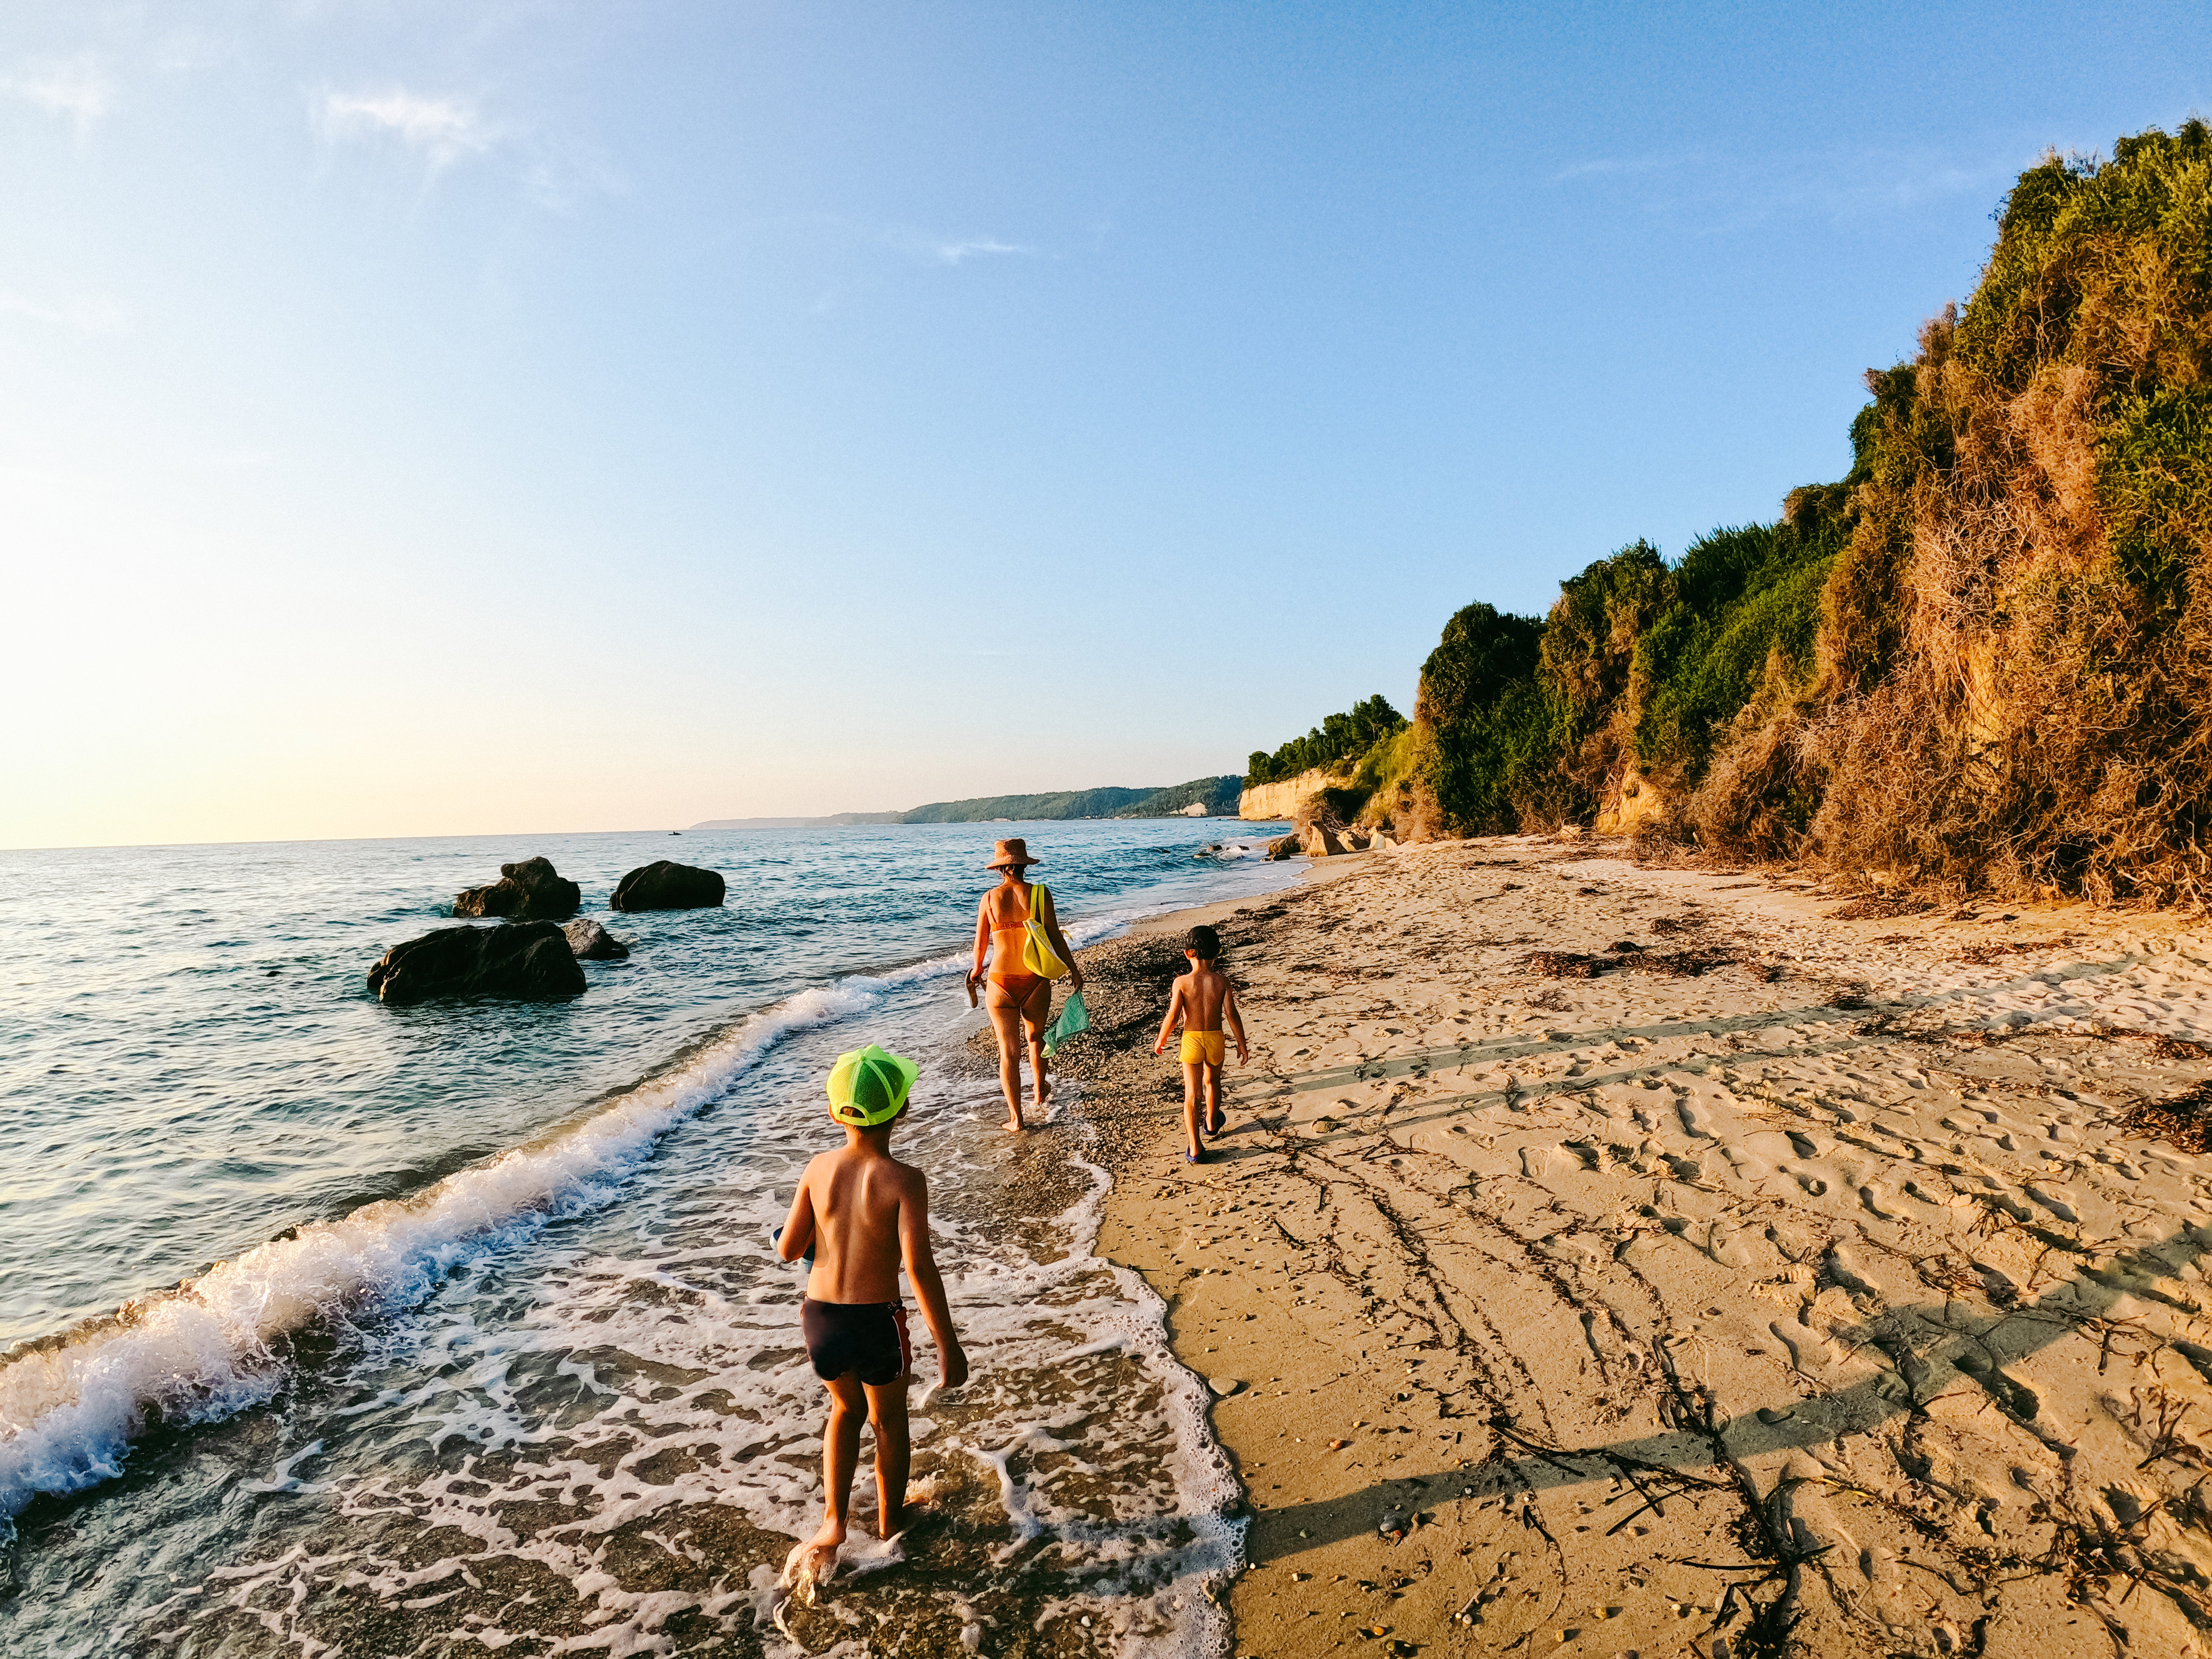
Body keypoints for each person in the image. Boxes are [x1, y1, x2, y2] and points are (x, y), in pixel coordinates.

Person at [775, 1044, 969, 1588]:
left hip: (821, 1320)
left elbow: (790, 1249)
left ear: (836, 1112)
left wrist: (814, 1236)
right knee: (889, 1420)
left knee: (844, 1412)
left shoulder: (817, 1169)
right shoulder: (905, 1179)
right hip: (876, 1321)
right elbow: (919, 1267)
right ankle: (891, 1520)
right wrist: (948, 1346)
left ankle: (833, 1523)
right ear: (903, 1109)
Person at [966, 838, 1083, 1133]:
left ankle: (1017, 1119)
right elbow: (1055, 937)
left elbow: (980, 945)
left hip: (1000, 980)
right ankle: (1040, 1096)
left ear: (1001, 868)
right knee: (1037, 1039)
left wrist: (976, 971)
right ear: (1023, 865)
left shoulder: (989, 898)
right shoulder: (1041, 894)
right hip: (1034, 978)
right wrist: (1073, 969)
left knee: (1008, 1052)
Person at [1151, 924, 1249, 1164]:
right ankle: (1213, 1123)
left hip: (1192, 1039)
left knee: (1192, 1095)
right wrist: (1241, 1043)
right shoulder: (1222, 981)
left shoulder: (1182, 983)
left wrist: (1161, 1038)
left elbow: (1173, 1015)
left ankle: (1195, 1148)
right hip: (1216, 1038)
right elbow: (1232, 1014)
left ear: (1188, 953)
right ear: (1217, 953)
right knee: (1213, 1082)